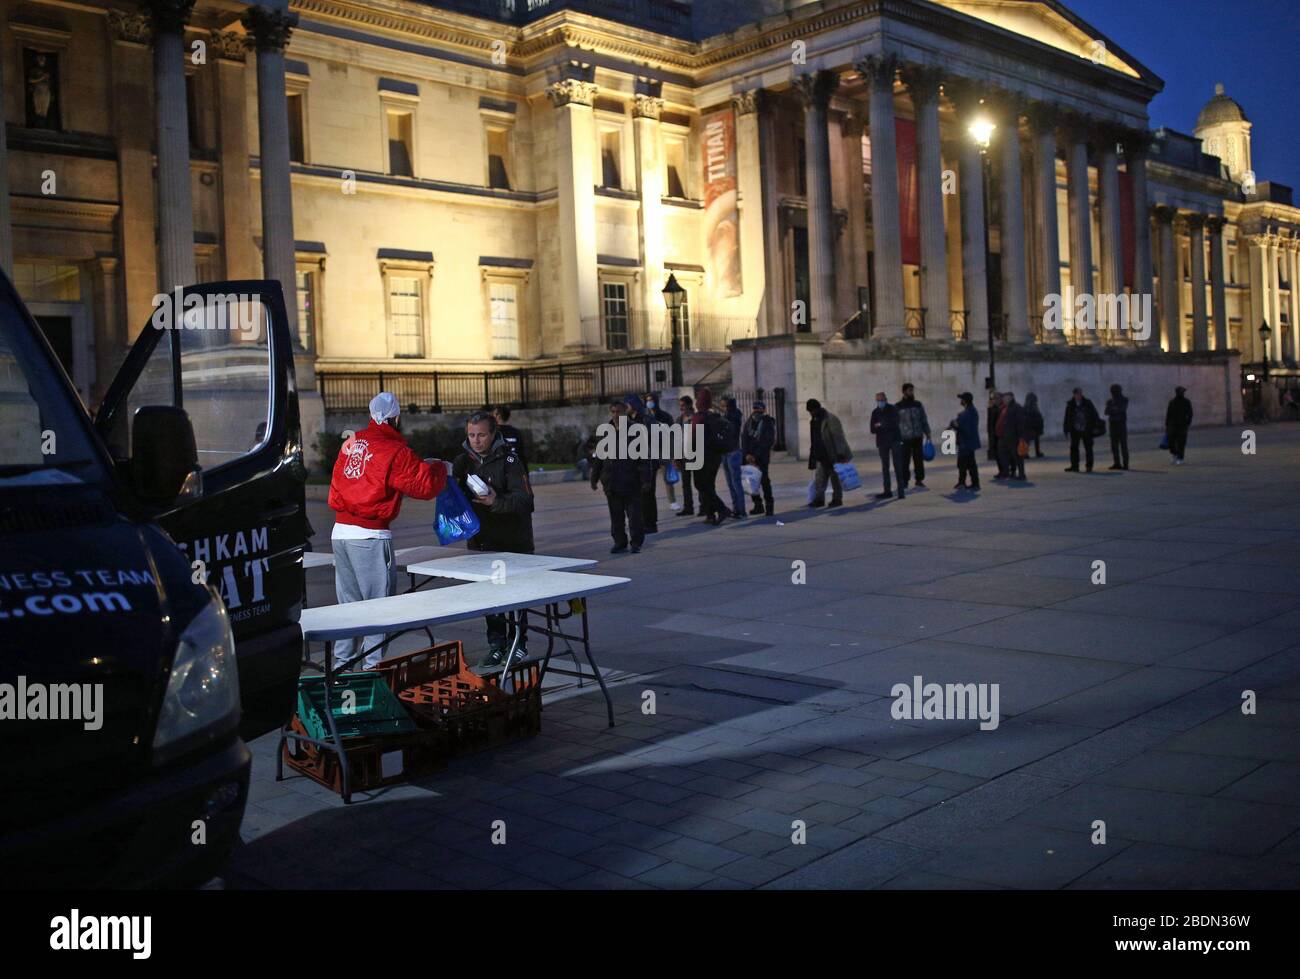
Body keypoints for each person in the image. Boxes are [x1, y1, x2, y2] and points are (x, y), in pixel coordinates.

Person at [329, 392, 447, 670]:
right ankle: (372, 672)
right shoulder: (395, 450)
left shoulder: (352, 442)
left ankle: (340, 670)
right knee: (379, 609)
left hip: (340, 533)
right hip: (369, 535)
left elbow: (337, 481)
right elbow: (424, 486)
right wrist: (441, 468)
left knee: (349, 608)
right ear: (396, 418)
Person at [453, 410, 536, 667]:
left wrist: (495, 501)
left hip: (514, 541)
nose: (476, 440)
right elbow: (454, 494)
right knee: (490, 596)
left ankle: (519, 642)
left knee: (517, 595)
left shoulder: (510, 460)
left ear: (493, 434)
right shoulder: (463, 462)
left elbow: (526, 500)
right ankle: (496, 644)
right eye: (471, 435)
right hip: (482, 542)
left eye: (481, 435)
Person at [590, 400, 652, 552]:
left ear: (625, 413)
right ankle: (619, 541)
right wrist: (595, 477)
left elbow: (644, 457)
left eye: (619, 412)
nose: (616, 415)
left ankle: (636, 541)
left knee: (634, 516)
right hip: (612, 481)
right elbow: (599, 456)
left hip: (631, 481)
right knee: (616, 516)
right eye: (613, 412)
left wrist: (646, 479)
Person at [692, 388, 732, 525]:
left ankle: (722, 509)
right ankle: (710, 515)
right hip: (715, 457)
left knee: (701, 485)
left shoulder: (698, 417)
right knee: (709, 485)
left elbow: (692, 439)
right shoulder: (714, 416)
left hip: (701, 456)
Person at [624, 394, 660, 533]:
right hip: (636, 462)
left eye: (627, 405)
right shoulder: (629, 420)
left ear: (633, 405)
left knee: (648, 493)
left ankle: (651, 523)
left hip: (648, 462)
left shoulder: (646, 420)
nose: (625, 408)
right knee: (640, 495)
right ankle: (644, 521)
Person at [806, 398, 851, 507]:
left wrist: (840, 453)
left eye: (811, 410)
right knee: (820, 479)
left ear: (816, 408)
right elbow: (814, 438)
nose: (810, 413)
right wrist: (813, 455)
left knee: (835, 478)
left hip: (832, 454)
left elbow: (838, 437)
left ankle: (837, 498)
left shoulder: (830, 419)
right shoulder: (814, 420)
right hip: (821, 454)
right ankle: (819, 499)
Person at [741, 400, 777, 516]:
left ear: (764, 410)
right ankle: (758, 505)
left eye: (759, 409)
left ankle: (769, 506)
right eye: (755, 408)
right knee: (751, 482)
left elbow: (767, 442)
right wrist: (747, 454)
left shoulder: (767, 423)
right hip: (749, 457)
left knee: (764, 481)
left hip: (761, 457)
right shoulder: (749, 422)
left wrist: (755, 456)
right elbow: (744, 439)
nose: (756, 411)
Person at [645, 392, 679, 511]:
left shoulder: (665, 416)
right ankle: (649, 503)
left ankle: (672, 501)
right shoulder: (644, 416)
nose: (649, 402)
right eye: (647, 400)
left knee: (668, 477)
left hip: (663, 450)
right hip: (649, 451)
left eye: (651, 400)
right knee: (649, 479)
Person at [869, 392, 905, 500]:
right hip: (882, 442)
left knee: (898, 466)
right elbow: (872, 429)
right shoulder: (875, 412)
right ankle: (887, 491)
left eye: (881, 400)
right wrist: (882, 425)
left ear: (885, 399)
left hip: (894, 441)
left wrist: (880, 424)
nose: (880, 402)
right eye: (878, 400)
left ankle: (901, 491)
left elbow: (895, 423)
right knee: (885, 467)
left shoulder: (893, 409)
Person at [896, 383, 931, 489]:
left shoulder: (918, 404)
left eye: (912, 390)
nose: (912, 392)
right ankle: (905, 481)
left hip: (917, 437)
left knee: (918, 460)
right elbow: (895, 423)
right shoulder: (898, 406)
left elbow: (923, 419)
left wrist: (927, 432)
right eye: (909, 390)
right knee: (904, 461)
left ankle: (919, 479)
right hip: (904, 438)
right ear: (904, 391)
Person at [1063, 387, 1102, 473]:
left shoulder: (1087, 403)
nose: (1079, 395)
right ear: (1074, 394)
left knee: (1088, 448)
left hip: (1087, 429)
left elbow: (1094, 415)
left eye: (1080, 393)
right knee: (1074, 448)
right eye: (1077, 394)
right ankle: (1074, 466)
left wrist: (1096, 427)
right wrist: (1066, 429)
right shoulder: (1070, 404)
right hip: (1075, 430)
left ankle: (1089, 466)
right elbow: (1067, 418)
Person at [721, 396, 747, 520]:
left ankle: (741, 510)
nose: (724, 408)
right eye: (723, 405)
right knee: (730, 483)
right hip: (725, 452)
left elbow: (732, 428)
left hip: (733, 452)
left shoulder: (735, 416)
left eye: (726, 405)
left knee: (736, 483)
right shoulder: (726, 415)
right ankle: (736, 507)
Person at [949, 392, 981, 491]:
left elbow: (966, 428)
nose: (960, 401)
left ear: (965, 401)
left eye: (962, 399)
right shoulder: (969, 411)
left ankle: (969, 483)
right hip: (966, 442)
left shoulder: (969, 413)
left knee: (966, 464)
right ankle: (965, 482)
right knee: (966, 463)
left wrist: (956, 425)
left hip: (966, 443)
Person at [995, 391, 1027, 481]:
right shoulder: (1005, 408)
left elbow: (1020, 423)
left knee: (1017, 457)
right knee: (1004, 454)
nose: (1004, 400)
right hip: (1005, 436)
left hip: (1014, 437)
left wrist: (1021, 437)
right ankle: (1007, 472)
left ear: (1011, 398)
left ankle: (1021, 474)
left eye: (1005, 398)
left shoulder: (1016, 408)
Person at [676, 394, 697, 517]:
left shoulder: (695, 418)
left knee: (699, 482)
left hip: (695, 453)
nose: (681, 408)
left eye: (683, 405)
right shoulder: (679, 420)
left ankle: (704, 506)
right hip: (683, 455)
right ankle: (688, 507)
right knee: (685, 483)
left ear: (689, 405)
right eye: (680, 406)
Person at [1166, 386, 1193, 465]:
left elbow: (1190, 413)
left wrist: (1188, 422)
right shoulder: (1172, 402)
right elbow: (1168, 414)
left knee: (1181, 442)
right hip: (1172, 425)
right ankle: (1175, 455)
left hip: (1182, 426)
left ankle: (1180, 458)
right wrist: (1167, 425)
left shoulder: (1186, 402)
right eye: (1181, 392)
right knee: (1171, 442)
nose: (1182, 393)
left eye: (1183, 392)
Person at [1105, 383, 1130, 470]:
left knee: (1123, 445)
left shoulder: (1124, 399)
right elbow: (1106, 411)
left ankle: (1125, 464)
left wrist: (1113, 409)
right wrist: (1115, 409)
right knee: (1114, 446)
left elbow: (1121, 409)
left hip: (1121, 424)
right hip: (1113, 425)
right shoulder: (1110, 401)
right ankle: (1117, 463)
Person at [1023, 392, 1045, 458]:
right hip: (1031, 427)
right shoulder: (1030, 407)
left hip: (1033, 427)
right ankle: (1027, 453)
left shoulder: (1029, 407)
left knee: (1031, 440)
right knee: (1028, 440)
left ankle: (1028, 453)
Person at [986, 390, 1002, 469]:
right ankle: (1001, 470)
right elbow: (990, 423)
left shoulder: (1001, 408)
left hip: (1000, 434)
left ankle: (1007, 470)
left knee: (1002, 453)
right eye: (992, 399)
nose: (993, 400)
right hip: (993, 434)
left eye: (995, 398)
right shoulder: (992, 409)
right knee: (997, 454)